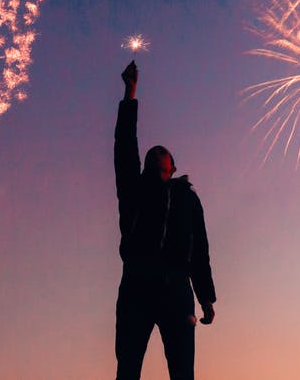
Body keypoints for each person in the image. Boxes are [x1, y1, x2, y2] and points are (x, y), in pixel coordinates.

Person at [113, 60, 216, 380]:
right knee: (128, 368)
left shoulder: (188, 198)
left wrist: (206, 297)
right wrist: (130, 95)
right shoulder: (134, 189)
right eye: (151, 153)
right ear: (144, 167)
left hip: (177, 288)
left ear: (172, 167)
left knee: (183, 372)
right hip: (137, 284)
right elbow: (124, 148)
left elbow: (199, 249)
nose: (155, 151)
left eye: (162, 152)